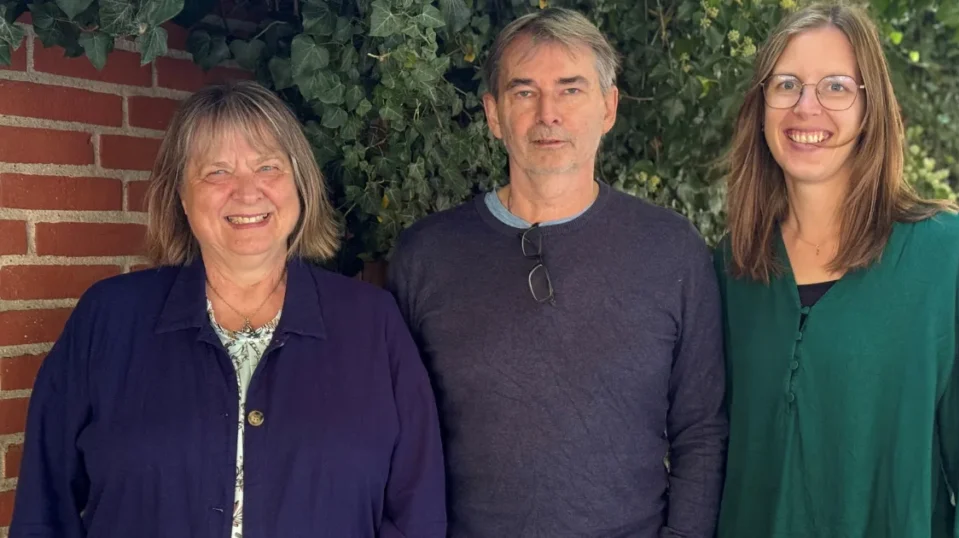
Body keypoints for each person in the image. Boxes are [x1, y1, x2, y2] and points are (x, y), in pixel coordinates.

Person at [10, 81, 446, 538]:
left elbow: (418, 511)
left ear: (300, 184)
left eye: (268, 167)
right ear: (181, 195)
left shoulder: (372, 323)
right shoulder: (109, 319)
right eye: (217, 172)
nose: (247, 192)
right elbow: (44, 507)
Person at [387, 8, 727, 537]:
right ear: (494, 114)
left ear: (608, 107)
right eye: (524, 92)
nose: (548, 113)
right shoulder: (427, 256)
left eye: (571, 90)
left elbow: (701, 431)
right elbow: (399, 440)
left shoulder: (670, 250)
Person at [714, 4, 959, 537]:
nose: (805, 107)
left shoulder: (951, 257)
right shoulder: (733, 267)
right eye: (786, 84)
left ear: (870, 108)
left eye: (835, 87)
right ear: (760, 106)